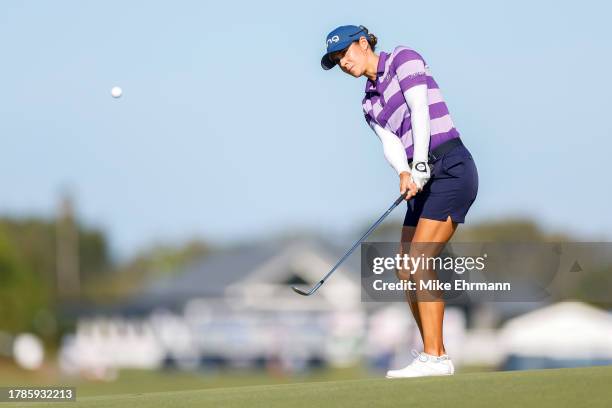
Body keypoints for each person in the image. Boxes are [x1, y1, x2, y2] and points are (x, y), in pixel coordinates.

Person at [321, 25, 479, 378]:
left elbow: (419, 109)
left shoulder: (403, 59)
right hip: (422, 179)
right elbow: (390, 142)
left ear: (363, 43)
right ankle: (432, 355)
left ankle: (436, 358)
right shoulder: (368, 102)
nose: (343, 63)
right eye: (336, 60)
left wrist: (420, 161)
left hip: (451, 167)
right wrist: (404, 172)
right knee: (406, 268)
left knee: (420, 260)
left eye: (346, 53)